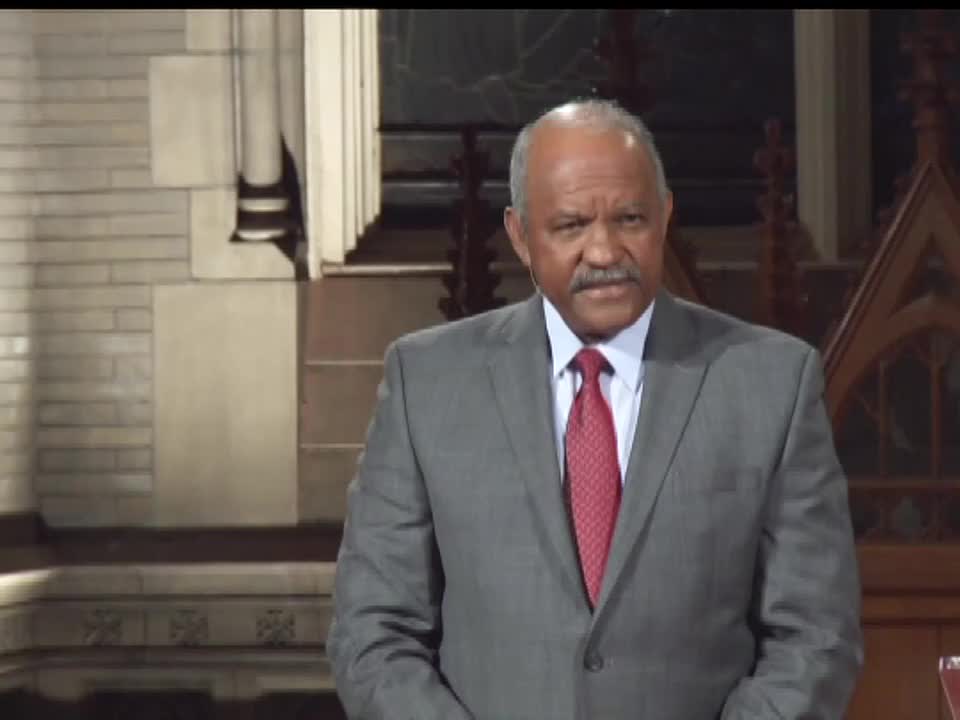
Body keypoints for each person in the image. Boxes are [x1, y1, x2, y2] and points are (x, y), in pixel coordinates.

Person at [326, 98, 864, 720]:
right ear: (522, 237)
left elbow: (817, 637)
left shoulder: (771, 383)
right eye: (572, 226)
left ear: (664, 217)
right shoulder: (426, 384)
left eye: (630, 218)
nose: (605, 252)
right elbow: (373, 633)